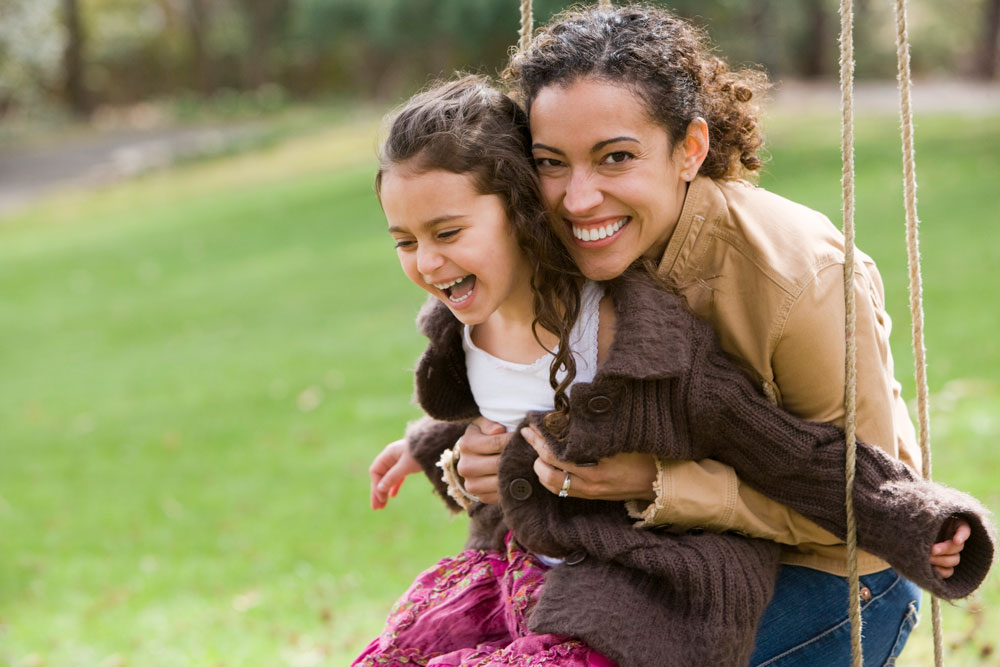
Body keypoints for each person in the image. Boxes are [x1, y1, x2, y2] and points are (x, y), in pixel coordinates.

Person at [357, 75, 994, 667]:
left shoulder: (636, 343)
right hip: (528, 571)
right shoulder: (462, 323)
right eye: (406, 242)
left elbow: (788, 452)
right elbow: (506, 415)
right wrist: (429, 446)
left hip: (645, 579)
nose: (428, 262)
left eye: (447, 232)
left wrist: (918, 519)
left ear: (519, 210)